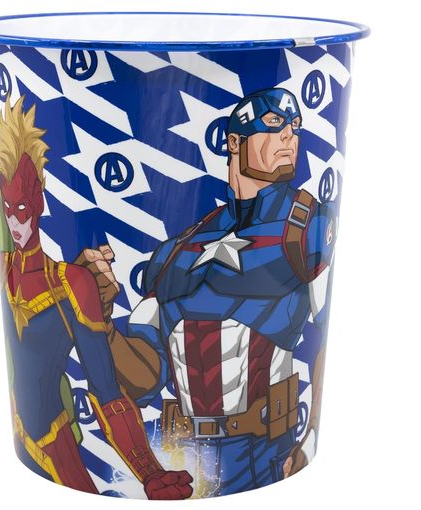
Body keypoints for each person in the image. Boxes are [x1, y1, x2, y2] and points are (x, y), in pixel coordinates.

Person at [81, 88, 336, 495]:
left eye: (294, 126)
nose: (289, 136)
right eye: (273, 125)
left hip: (266, 455)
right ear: (234, 142)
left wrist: (307, 443)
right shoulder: (177, 250)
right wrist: (99, 315)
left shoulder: (307, 229)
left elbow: (323, 336)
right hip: (183, 457)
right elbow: (144, 376)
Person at [0, 95, 193, 499]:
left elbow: (107, 389)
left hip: (57, 448)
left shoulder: (70, 283)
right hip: (19, 450)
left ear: (38, 202)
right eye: (8, 208)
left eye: (23, 207)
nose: (15, 220)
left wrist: (149, 473)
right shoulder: (5, 266)